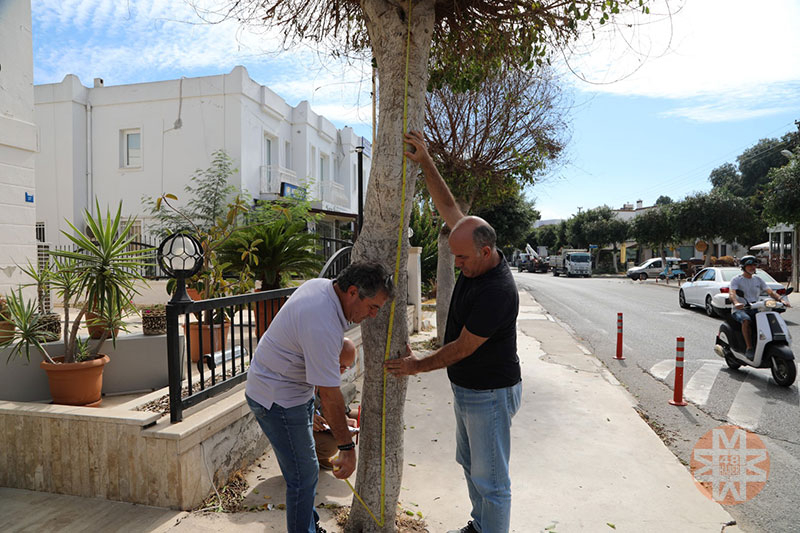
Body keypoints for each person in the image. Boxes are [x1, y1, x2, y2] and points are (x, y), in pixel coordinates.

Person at [385, 130, 522, 533]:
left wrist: (416, 366)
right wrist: (426, 160)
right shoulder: (472, 244)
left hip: (489, 393)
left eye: (461, 258)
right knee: (470, 465)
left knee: (492, 482)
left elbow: (461, 348)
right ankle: (480, 526)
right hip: (469, 389)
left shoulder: (498, 291)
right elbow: (447, 204)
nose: (456, 263)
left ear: (485, 251)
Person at [245, 262, 393, 533]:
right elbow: (330, 394)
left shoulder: (321, 288)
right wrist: (347, 449)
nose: (373, 315)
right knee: (304, 475)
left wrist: (311, 410)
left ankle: (309, 525)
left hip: (286, 392)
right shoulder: (322, 322)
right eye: (373, 307)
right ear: (352, 292)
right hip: (276, 399)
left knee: (305, 471)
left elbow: (311, 369)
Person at [730, 255, 791, 359]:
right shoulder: (736, 280)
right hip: (741, 309)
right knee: (746, 320)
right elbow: (732, 294)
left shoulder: (758, 279)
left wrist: (781, 299)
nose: (753, 267)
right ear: (743, 267)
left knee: (769, 317)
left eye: (754, 265)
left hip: (755, 307)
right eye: (750, 265)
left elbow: (770, 292)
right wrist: (736, 302)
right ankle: (749, 348)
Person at [313, 338, 360, 470]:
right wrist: (308, 417)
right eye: (341, 366)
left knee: (367, 417)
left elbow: (339, 408)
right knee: (331, 445)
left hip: (322, 422)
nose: (343, 371)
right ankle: (308, 458)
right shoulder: (305, 375)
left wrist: (345, 420)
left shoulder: (330, 374)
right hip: (297, 424)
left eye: (347, 367)